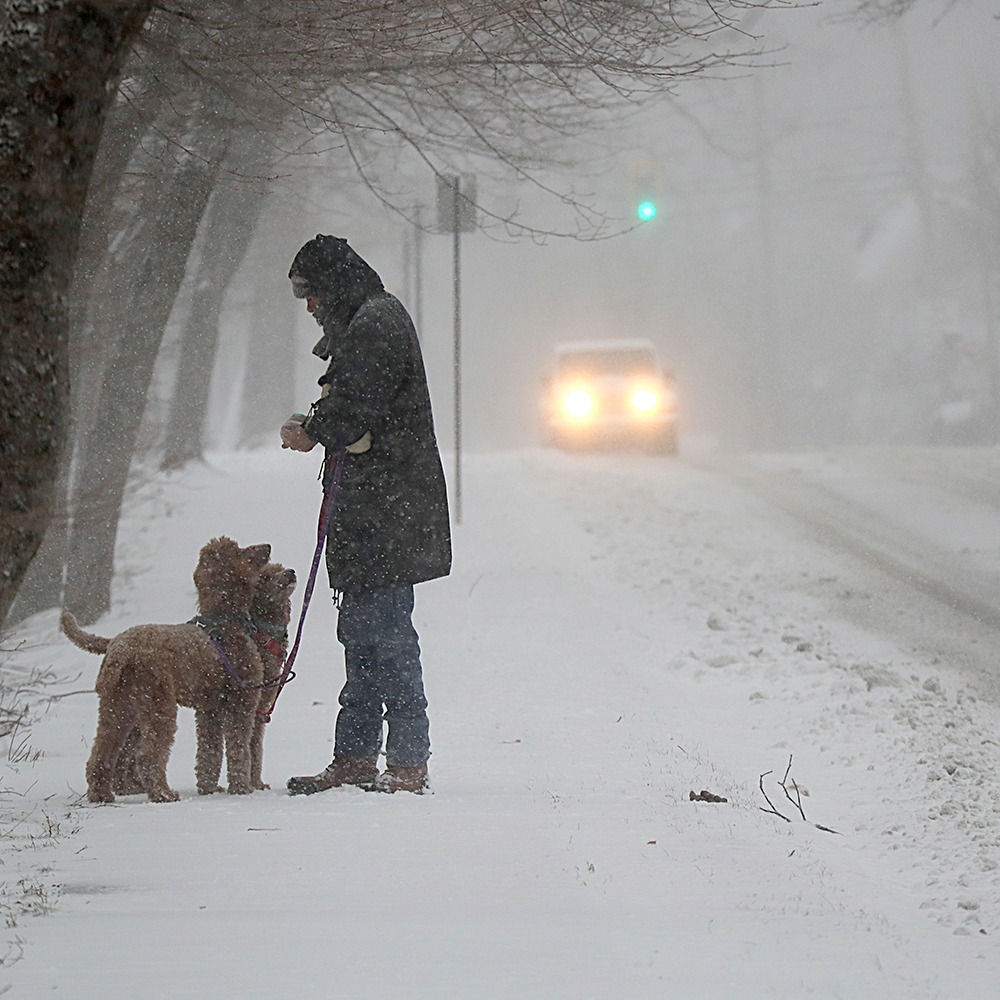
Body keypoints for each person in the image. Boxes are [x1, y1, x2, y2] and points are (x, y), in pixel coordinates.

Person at [280, 235, 451, 794]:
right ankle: (354, 758)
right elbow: (356, 405)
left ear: (333, 285)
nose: (308, 306)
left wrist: (313, 430)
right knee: (361, 632)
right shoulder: (369, 319)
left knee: (387, 637)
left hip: (388, 509)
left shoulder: (375, 324)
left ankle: (405, 762)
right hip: (376, 507)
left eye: (310, 292)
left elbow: (354, 408)